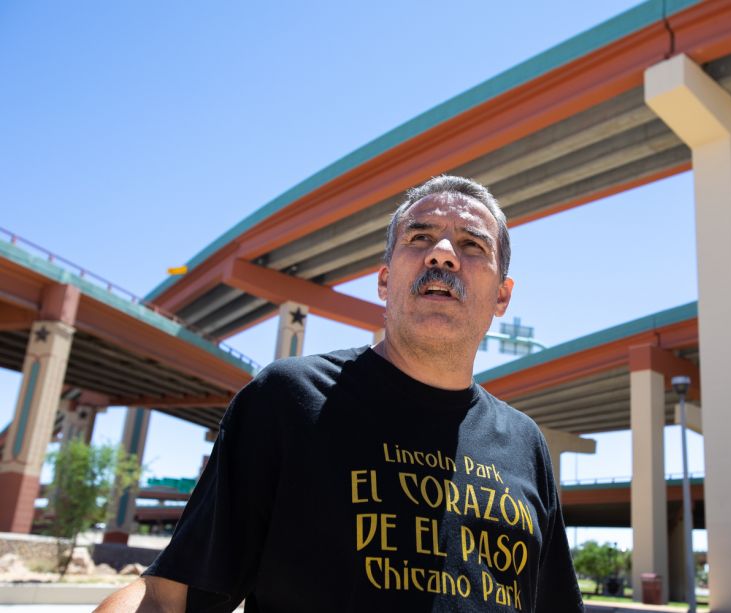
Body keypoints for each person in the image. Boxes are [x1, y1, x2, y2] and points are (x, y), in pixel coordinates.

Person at [96, 176, 584, 612]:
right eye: (419, 238)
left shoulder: (525, 444)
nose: (442, 254)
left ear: (502, 296)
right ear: (385, 280)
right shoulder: (287, 400)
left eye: (472, 244)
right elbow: (166, 597)